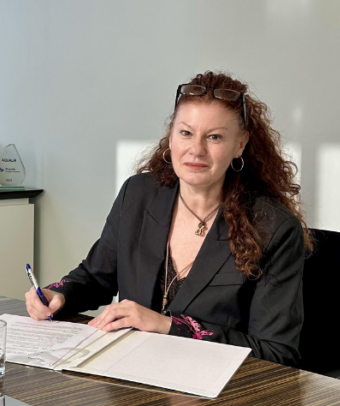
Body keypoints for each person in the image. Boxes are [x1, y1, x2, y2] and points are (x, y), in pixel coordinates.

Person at [25, 71, 312, 366]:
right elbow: (97, 277)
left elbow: (276, 353)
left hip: (216, 388)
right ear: (171, 135)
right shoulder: (138, 194)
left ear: (240, 144)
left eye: (214, 137)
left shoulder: (273, 228)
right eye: (186, 133)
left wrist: (167, 326)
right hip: (130, 374)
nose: (196, 150)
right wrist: (58, 295)